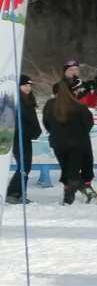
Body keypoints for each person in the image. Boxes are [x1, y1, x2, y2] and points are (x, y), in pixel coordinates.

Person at [42, 80, 95, 204]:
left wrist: (56, 133)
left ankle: (76, 194)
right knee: (72, 172)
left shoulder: (49, 105)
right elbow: (88, 123)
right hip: (77, 143)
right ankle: (70, 198)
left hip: (58, 143)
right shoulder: (79, 106)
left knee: (67, 170)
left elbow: (46, 123)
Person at [6, 75, 41, 203]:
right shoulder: (16, 100)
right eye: (25, 85)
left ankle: (20, 193)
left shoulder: (29, 100)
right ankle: (13, 193)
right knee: (23, 166)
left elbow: (32, 119)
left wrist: (36, 131)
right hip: (17, 137)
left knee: (26, 166)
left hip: (26, 138)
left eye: (29, 86)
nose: (28, 88)